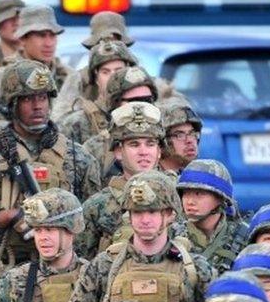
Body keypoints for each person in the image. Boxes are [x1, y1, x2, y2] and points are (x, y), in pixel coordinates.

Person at [57, 170, 215, 302]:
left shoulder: (193, 267)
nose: (145, 220)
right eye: (137, 212)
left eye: (152, 211)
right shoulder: (105, 266)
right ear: (128, 216)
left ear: (169, 214)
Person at [0, 60, 100, 270]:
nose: (38, 105)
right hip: (8, 269)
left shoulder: (77, 156)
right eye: (28, 99)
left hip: (65, 274)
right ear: (11, 104)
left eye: (42, 97)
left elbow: (93, 218)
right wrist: (3, 217)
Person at [75, 101, 166, 258]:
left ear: (159, 151)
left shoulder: (179, 196)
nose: (143, 152)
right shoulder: (96, 207)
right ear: (118, 151)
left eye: (150, 144)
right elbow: (82, 265)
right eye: (134, 144)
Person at [52, 11, 135, 121]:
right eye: (102, 44)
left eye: (115, 44)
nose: (109, 49)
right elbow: (60, 117)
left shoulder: (138, 77)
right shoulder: (78, 79)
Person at [82, 66, 160, 182]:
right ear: (115, 104)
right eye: (134, 101)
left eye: (147, 100)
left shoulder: (165, 140)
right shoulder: (93, 150)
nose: (141, 106)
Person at [57, 40, 138, 144]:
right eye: (105, 72)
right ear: (96, 78)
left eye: (118, 70)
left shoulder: (147, 114)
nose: (113, 77)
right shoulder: (76, 123)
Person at [177, 159, 249, 274]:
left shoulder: (244, 236)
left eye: (198, 194)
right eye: (185, 193)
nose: (189, 201)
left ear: (220, 198)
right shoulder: (171, 235)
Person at [158, 98, 201, 174]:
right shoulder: (149, 181)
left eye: (192, 133)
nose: (189, 141)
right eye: (180, 135)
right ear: (162, 141)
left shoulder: (195, 177)